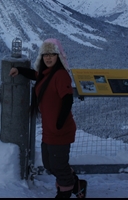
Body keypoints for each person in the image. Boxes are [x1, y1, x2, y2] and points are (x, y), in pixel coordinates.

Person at [9, 38, 87, 198]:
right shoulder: (46, 74)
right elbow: (35, 75)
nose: (48, 58)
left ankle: (65, 191)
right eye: (45, 55)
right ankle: (76, 183)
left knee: (58, 165)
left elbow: (67, 99)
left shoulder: (60, 75)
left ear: (58, 56)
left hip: (60, 130)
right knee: (49, 164)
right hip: (49, 130)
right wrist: (19, 70)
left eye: (52, 54)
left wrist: (59, 123)